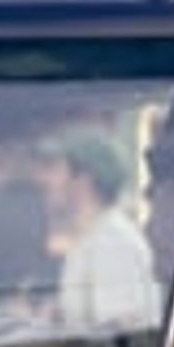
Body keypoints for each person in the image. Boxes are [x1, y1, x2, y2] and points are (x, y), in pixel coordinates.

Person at [39, 131, 156, 329]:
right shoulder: (94, 238)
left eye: (56, 170)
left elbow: (119, 336)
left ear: (83, 180)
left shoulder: (112, 244)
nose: (45, 180)